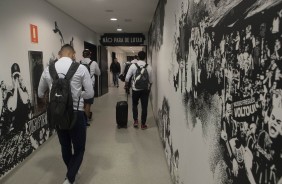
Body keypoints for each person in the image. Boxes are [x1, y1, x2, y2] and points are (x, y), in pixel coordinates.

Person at [38, 44, 94, 184]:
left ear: (59, 53)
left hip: (57, 113)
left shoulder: (48, 69)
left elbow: (39, 93)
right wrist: (78, 93)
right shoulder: (80, 68)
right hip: (76, 112)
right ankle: (69, 178)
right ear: (73, 54)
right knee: (79, 148)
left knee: (65, 146)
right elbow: (90, 93)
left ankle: (72, 172)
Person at [125, 51, 153, 129]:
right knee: (144, 107)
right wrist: (149, 89)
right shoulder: (149, 67)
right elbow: (151, 81)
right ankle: (143, 124)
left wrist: (126, 85)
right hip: (145, 90)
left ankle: (136, 121)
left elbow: (127, 78)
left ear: (138, 57)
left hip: (135, 89)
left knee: (134, 105)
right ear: (145, 57)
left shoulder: (133, 66)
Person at [80, 49, 101, 124]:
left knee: (82, 102)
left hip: (81, 84)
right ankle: (86, 120)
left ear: (83, 55)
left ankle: (82, 118)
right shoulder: (94, 63)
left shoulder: (80, 62)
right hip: (90, 85)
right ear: (90, 55)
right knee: (88, 103)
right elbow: (98, 73)